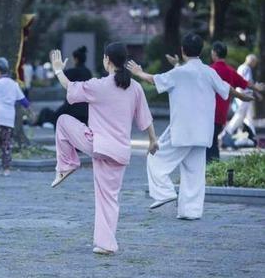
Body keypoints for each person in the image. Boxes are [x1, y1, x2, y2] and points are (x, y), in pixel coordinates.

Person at [126, 32, 253, 220]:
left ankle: (165, 193)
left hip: (182, 130)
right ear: (202, 51)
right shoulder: (209, 72)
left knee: (155, 158)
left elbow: (154, 79)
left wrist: (138, 72)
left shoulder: (178, 73)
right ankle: (190, 211)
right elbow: (228, 89)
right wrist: (244, 96)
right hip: (203, 132)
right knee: (194, 173)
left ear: (183, 51)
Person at [49, 43, 157, 255]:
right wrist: (153, 141)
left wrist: (58, 70)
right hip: (120, 152)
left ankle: (67, 164)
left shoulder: (99, 85)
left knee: (62, 120)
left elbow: (70, 88)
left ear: (107, 59)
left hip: (97, 145)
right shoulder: (135, 87)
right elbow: (146, 119)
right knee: (109, 198)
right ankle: (106, 244)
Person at [205, 42, 264, 162]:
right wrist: (257, 89)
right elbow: (245, 83)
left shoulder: (209, 70)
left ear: (214, 53)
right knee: (213, 141)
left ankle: (209, 169)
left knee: (208, 144)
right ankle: (214, 168)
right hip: (221, 114)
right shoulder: (230, 71)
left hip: (207, 113)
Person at [224, 54, 262, 146]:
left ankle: (250, 137)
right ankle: (226, 133)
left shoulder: (241, 67)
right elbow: (248, 83)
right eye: (255, 62)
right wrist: (258, 91)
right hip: (244, 96)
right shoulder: (246, 68)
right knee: (240, 116)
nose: (255, 65)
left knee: (248, 118)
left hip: (242, 95)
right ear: (251, 61)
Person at [53, 46, 93, 125]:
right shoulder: (88, 72)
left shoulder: (72, 71)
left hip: (72, 106)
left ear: (76, 59)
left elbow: (61, 77)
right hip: (86, 107)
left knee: (56, 117)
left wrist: (59, 69)